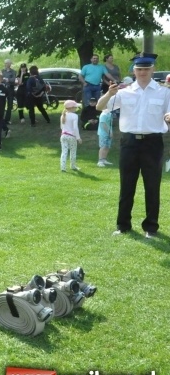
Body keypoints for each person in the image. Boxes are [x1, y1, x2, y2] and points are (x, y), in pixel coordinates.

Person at [97, 53, 170, 239]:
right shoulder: (124, 91)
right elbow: (99, 107)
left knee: (152, 186)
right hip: (129, 143)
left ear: (153, 69)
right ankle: (123, 226)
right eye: (139, 69)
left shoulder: (164, 92)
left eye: (146, 69)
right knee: (127, 185)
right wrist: (108, 93)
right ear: (134, 71)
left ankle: (151, 227)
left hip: (153, 143)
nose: (143, 72)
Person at [59, 100, 82, 172]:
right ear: (71, 108)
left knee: (64, 152)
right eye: (75, 107)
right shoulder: (75, 116)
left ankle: (63, 167)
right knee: (73, 151)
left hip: (63, 135)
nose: (76, 108)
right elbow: (75, 128)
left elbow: (61, 127)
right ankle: (73, 166)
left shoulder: (63, 115)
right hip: (71, 136)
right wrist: (78, 138)